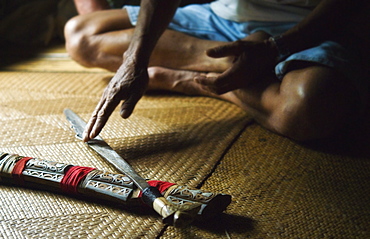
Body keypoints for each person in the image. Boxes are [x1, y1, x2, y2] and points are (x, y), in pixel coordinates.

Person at [64, 0, 369, 142]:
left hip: (312, 27)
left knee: (308, 111)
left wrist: (276, 48)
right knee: (81, 36)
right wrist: (135, 59)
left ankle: (194, 80)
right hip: (223, 17)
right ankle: (225, 63)